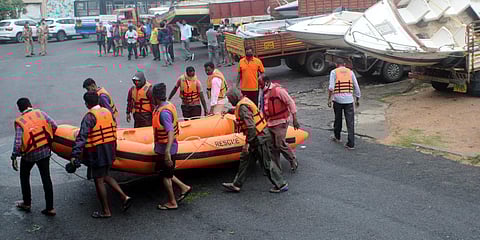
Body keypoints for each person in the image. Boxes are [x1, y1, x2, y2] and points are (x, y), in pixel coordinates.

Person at [70, 92, 132, 218]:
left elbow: (82, 137)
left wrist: (75, 155)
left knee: (98, 180)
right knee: (105, 175)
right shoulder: (107, 112)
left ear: (87, 104)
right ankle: (124, 197)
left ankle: (106, 211)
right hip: (110, 149)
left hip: (98, 152)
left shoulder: (89, 117)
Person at [221, 88, 288, 193]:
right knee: (245, 160)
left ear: (234, 97)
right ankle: (237, 184)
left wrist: (248, 143)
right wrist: (230, 110)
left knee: (266, 162)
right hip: (257, 136)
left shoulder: (242, 107)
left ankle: (281, 184)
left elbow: (251, 126)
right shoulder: (244, 102)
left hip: (259, 137)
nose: (229, 101)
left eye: (229, 99)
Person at [11, 98, 57, 216]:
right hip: (45, 151)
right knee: (46, 178)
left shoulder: (20, 121)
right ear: (30, 105)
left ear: (20, 109)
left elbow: (18, 142)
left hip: (29, 155)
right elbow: (54, 125)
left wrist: (14, 156)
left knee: (24, 176)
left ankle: (27, 203)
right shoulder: (40, 113)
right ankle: (50, 208)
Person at [152, 83, 192, 210]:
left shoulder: (163, 113)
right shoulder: (167, 106)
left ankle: (172, 202)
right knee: (166, 173)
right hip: (164, 147)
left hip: (166, 148)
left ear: (155, 97)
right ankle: (184, 187)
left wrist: (167, 152)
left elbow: (170, 132)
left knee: (165, 176)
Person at [259, 76, 299, 172]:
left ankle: (292, 159)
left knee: (280, 144)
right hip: (269, 122)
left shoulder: (278, 91)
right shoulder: (263, 93)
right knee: (272, 146)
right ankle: (276, 168)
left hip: (281, 121)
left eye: (260, 84)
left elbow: (290, 102)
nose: (259, 87)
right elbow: (261, 108)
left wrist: (295, 119)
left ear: (267, 82)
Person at [328, 58, 361, 150]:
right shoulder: (350, 72)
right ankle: (351, 143)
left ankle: (337, 137)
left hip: (337, 100)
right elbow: (356, 86)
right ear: (345, 64)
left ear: (336, 64)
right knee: (350, 122)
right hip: (349, 100)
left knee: (338, 119)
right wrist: (357, 99)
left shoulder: (334, 72)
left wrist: (329, 99)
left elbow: (331, 88)